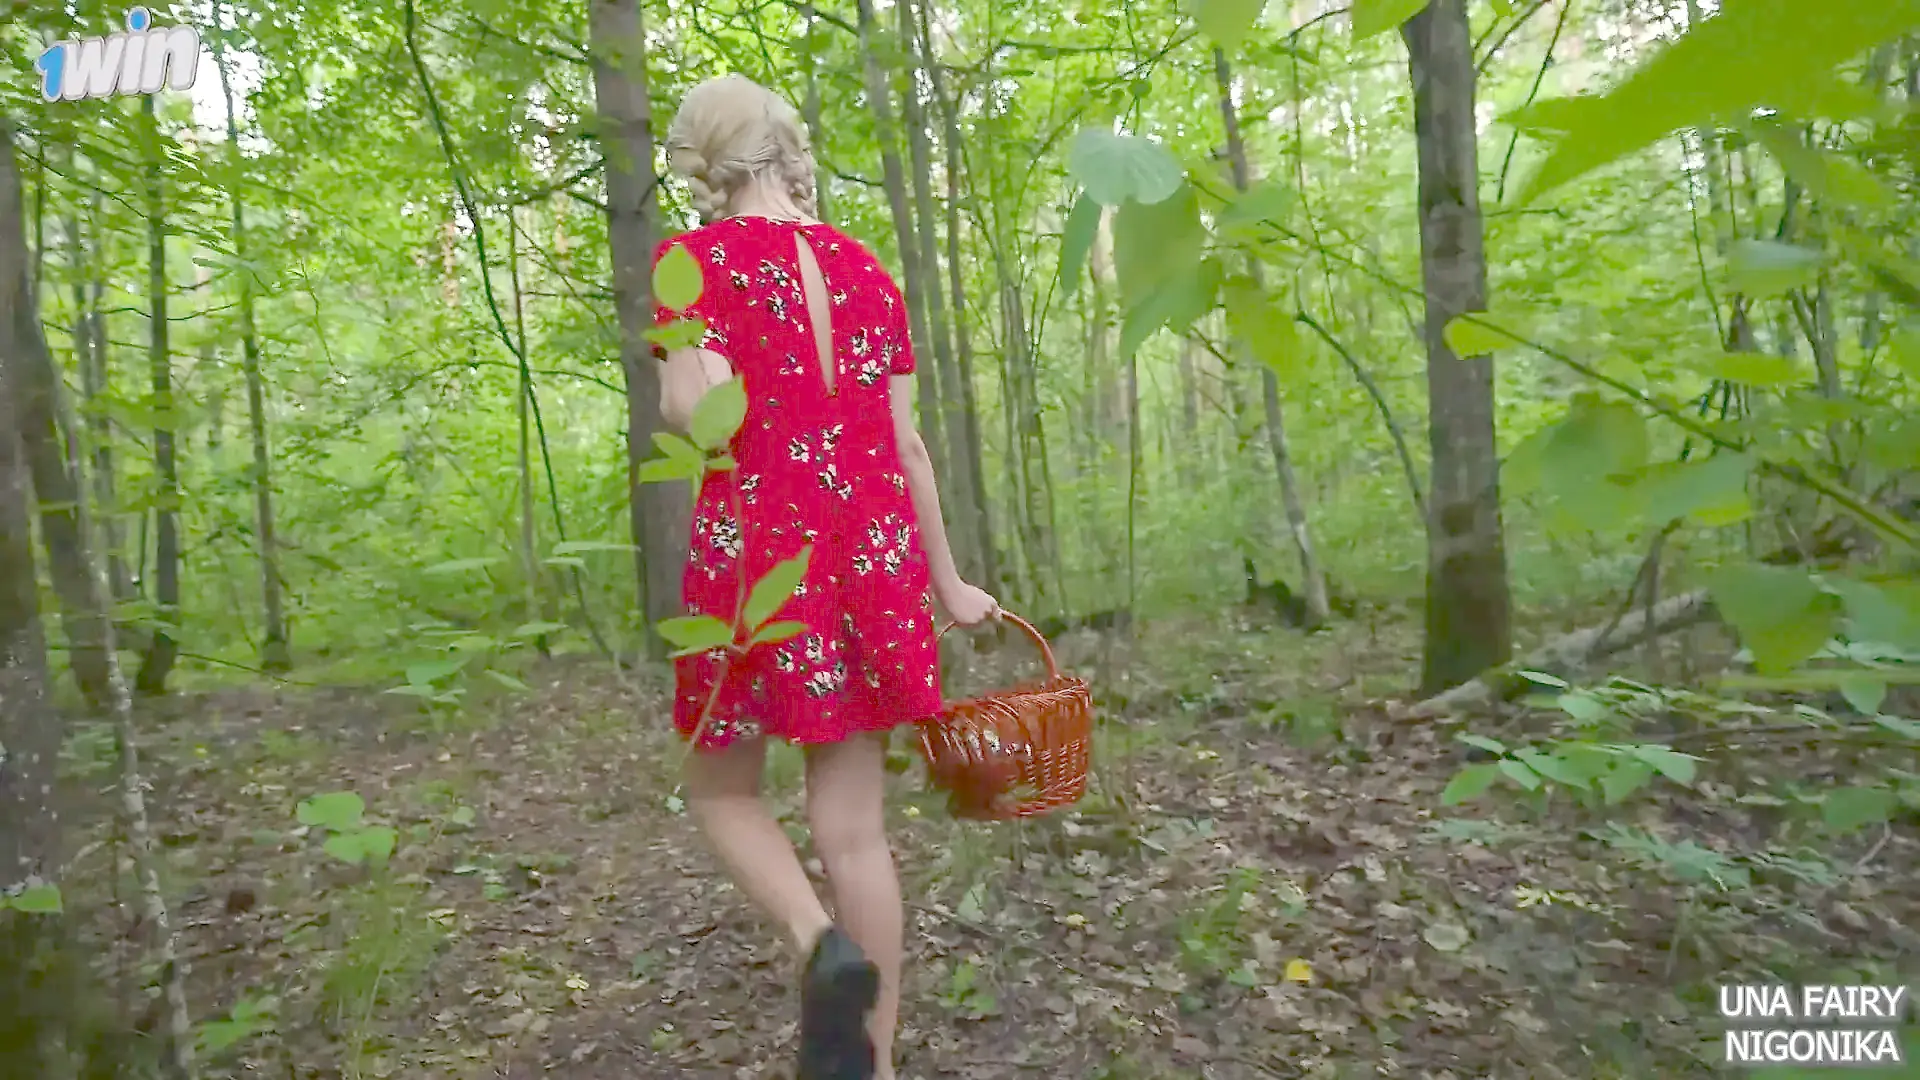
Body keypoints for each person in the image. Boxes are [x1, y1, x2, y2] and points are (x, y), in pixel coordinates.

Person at [649, 74, 1000, 1080]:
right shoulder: (865, 269)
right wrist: (949, 584)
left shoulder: (693, 263)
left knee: (719, 790)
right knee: (854, 831)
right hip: (874, 558)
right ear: (786, 147)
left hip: (765, 555)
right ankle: (874, 1068)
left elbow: (693, 413)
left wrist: (697, 372)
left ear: (705, 159)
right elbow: (908, 447)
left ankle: (818, 945)